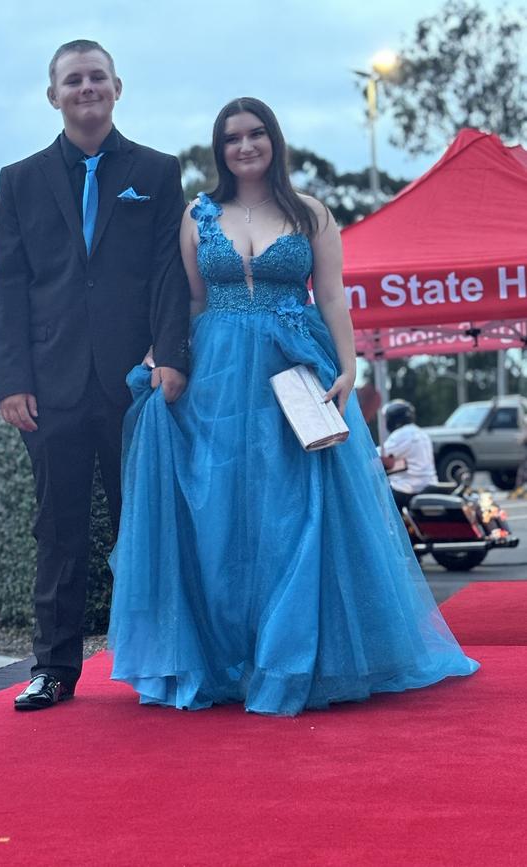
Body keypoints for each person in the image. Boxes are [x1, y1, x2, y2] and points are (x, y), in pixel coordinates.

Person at [107, 97, 478, 716]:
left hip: (297, 372)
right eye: (232, 138)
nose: (245, 146)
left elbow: (332, 296)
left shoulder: (310, 214)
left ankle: (295, 658)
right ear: (219, 148)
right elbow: (192, 302)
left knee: (295, 509)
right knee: (220, 513)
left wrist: (350, 368)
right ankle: (226, 658)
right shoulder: (199, 214)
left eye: (256, 134)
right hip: (219, 378)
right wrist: (158, 355)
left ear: (273, 140)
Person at [0, 40, 189, 711]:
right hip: (49, 385)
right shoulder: (19, 179)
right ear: (54, 95)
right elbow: (11, 285)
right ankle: (53, 667)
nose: (86, 88)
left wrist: (169, 353)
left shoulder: (158, 173)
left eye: (96, 77)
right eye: (73, 80)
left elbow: (169, 273)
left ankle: (159, 661)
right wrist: (11, 378)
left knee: (147, 524)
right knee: (59, 529)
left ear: (117, 87)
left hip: (135, 383)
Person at [380, 399, 438, 511]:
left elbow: (379, 454)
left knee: (379, 500)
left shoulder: (401, 434)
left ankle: (391, 528)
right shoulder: (421, 433)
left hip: (410, 488)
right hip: (428, 484)